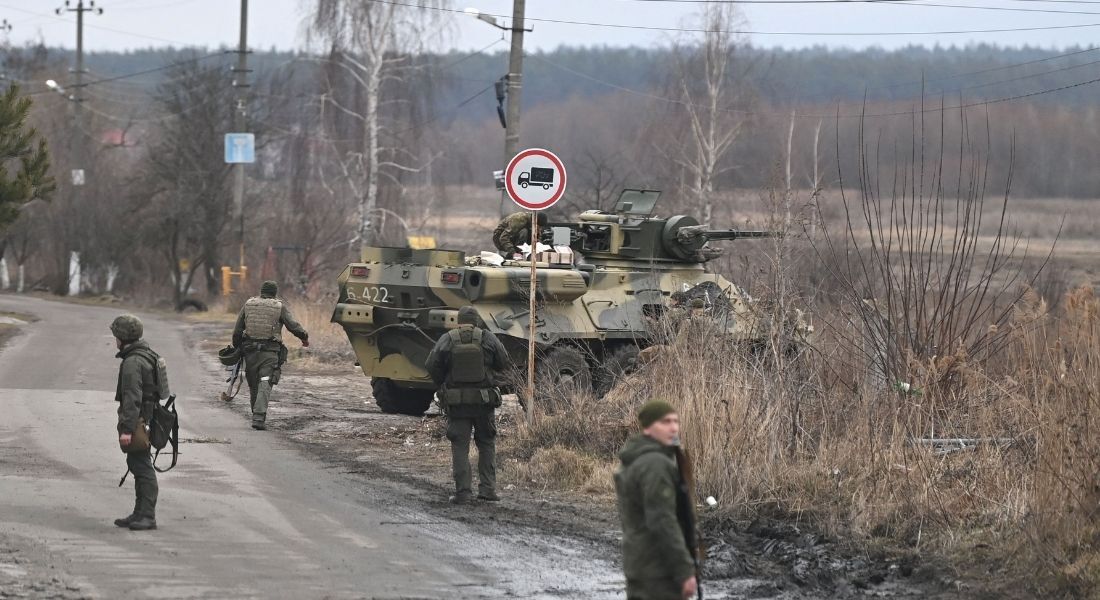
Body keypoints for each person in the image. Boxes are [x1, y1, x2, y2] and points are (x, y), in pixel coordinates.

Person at [424, 306, 511, 504]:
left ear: (458, 321)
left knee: (460, 446)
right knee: (487, 443)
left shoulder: (448, 338)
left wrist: (444, 384)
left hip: (457, 403)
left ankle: (463, 492)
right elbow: (504, 362)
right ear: (477, 321)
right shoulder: (487, 338)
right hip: (483, 402)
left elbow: (431, 364)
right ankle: (488, 489)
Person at [614, 400, 699, 600]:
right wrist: (684, 571)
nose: (673, 428)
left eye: (676, 421)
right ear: (648, 427)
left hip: (640, 565)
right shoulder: (655, 464)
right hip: (659, 571)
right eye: (665, 422)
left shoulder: (635, 459)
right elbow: (662, 520)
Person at [232, 280, 309, 430]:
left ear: (262, 291)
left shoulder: (249, 304)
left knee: (254, 383)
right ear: (274, 293)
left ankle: (256, 413)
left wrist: (237, 347)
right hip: (269, 352)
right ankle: (259, 418)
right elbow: (293, 326)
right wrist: (304, 338)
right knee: (265, 382)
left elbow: (237, 329)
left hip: (250, 352)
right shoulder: (278, 306)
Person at [110, 314, 160, 531]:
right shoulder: (145, 354)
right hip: (145, 418)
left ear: (123, 337)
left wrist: (128, 429)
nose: (115, 340)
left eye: (116, 336)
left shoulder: (133, 362)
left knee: (142, 467)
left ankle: (147, 515)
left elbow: (132, 397)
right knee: (137, 464)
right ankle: (139, 513)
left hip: (138, 421)